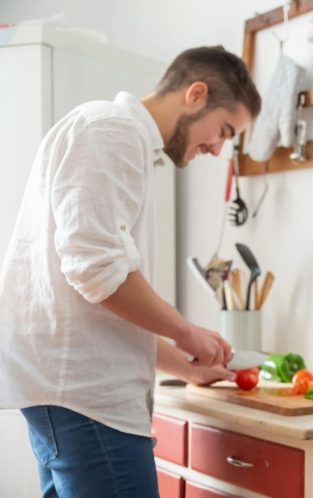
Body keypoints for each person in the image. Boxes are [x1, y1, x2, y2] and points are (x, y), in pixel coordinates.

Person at [0, 46, 261, 497]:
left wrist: (184, 364)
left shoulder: (119, 138)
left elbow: (98, 296)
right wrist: (187, 332)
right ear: (195, 95)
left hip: (71, 395)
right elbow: (98, 271)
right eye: (223, 131)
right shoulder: (112, 131)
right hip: (88, 399)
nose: (217, 148)